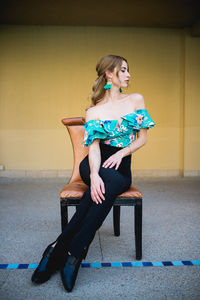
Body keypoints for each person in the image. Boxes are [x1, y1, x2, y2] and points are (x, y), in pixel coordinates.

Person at [31, 54, 156, 292]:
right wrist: (95, 175)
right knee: (102, 185)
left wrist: (122, 153)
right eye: (123, 70)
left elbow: (143, 138)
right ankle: (73, 255)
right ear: (110, 74)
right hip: (94, 165)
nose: (129, 74)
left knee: (101, 191)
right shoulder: (94, 111)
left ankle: (58, 248)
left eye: (129, 70)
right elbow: (95, 148)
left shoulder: (136, 99)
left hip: (121, 167)